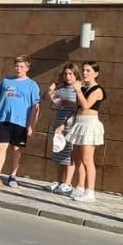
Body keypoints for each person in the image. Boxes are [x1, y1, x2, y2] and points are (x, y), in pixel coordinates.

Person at [0, 55, 41, 188]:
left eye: (21, 66)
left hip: (21, 122)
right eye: (17, 66)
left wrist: (31, 125)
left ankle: (12, 176)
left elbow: (36, 107)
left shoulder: (32, 85)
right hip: (3, 119)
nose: (18, 69)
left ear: (27, 68)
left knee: (16, 149)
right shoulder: (5, 81)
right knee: (1, 147)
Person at [69, 60, 106, 202]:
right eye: (83, 70)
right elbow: (78, 108)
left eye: (88, 70)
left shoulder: (97, 90)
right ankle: (80, 187)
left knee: (87, 159)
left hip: (90, 125)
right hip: (80, 123)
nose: (84, 73)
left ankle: (90, 192)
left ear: (96, 74)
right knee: (77, 158)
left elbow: (85, 105)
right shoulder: (84, 88)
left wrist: (78, 90)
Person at [46, 62, 80, 195]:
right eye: (65, 74)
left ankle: (68, 183)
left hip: (71, 126)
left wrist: (70, 105)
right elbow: (47, 96)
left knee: (69, 155)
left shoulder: (78, 89)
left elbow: (78, 108)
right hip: (58, 125)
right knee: (59, 153)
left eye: (71, 74)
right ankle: (60, 181)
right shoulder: (61, 89)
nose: (68, 76)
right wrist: (55, 82)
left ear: (76, 75)